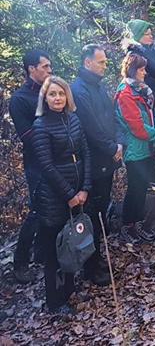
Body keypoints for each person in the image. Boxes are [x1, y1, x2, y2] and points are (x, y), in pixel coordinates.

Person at [30, 76, 90, 315]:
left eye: (61, 94)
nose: (57, 98)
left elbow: (85, 152)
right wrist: (68, 195)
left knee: (72, 244)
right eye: (53, 94)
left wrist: (85, 187)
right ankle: (55, 302)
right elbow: (46, 165)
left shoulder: (73, 119)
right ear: (45, 97)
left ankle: (69, 291)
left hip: (78, 192)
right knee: (55, 250)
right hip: (54, 197)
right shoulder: (41, 126)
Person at [71, 44, 124, 286]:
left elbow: (112, 116)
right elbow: (91, 128)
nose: (104, 66)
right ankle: (90, 267)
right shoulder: (79, 90)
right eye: (100, 62)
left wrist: (119, 143)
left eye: (105, 62)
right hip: (93, 163)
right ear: (87, 62)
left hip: (108, 159)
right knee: (91, 214)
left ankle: (97, 257)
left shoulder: (99, 86)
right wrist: (111, 148)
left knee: (101, 210)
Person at [9, 49, 52, 284]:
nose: (49, 70)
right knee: (36, 211)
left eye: (49, 66)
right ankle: (20, 263)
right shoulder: (20, 99)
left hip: (59, 161)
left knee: (55, 210)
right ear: (31, 69)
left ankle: (42, 254)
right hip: (37, 165)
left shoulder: (51, 92)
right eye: (44, 66)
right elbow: (27, 135)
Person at [114, 53, 155, 243]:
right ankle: (127, 226)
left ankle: (138, 223)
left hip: (146, 148)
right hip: (135, 150)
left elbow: (152, 114)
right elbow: (137, 127)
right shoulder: (125, 93)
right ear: (133, 70)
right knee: (134, 189)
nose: (145, 72)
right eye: (141, 69)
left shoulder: (142, 90)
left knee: (142, 188)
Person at [124, 20, 155, 112]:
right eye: (147, 34)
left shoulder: (152, 50)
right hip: (154, 98)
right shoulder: (135, 55)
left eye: (151, 34)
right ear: (138, 36)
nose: (151, 37)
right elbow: (144, 79)